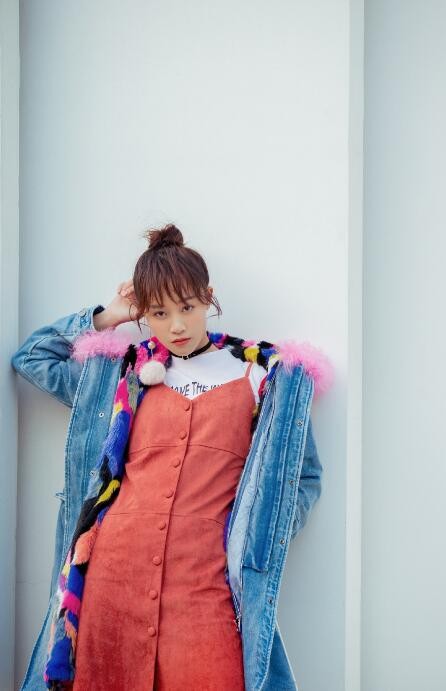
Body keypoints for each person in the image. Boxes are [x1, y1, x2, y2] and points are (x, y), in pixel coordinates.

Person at [11, 223, 333, 691]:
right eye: (159, 312)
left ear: (208, 298)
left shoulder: (262, 376)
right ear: (144, 313)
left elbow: (304, 476)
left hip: (204, 585)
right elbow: (32, 357)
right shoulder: (123, 375)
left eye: (187, 307)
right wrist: (108, 316)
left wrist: (259, 534)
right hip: (112, 579)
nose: (177, 326)